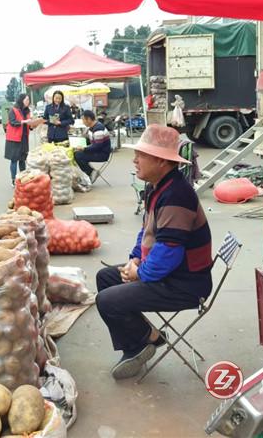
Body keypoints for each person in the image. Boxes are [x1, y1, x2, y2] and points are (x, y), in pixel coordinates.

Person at [96, 125, 213, 380]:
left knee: (107, 300)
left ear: (161, 161)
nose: (135, 160)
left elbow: (169, 251)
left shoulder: (176, 195)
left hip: (185, 284)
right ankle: (146, 338)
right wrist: (134, 259)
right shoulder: (157, 187)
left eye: (141, 155)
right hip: (168, 273)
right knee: (106, 277)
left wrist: (141, 273)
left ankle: (141, 343)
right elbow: (146, 232)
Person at [4, 94, 41, 185]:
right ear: (21, 100)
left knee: (22, 159)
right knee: (14, 160)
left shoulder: (27, 111)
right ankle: (13, 180)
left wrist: (34, 124)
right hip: (14, 139)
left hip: (24, 137)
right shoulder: (13, 110)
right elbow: (13, 122)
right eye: (27, 99)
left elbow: (29, 125)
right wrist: (24, 122)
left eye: (28, 99)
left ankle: (23, 178)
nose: (28, 101)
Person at [73, 110, 111, 181]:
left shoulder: (98, 129)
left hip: (102, 154)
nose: (83, 122)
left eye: (83, 120)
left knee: (78, 155)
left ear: (89, 119)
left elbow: (97, 146)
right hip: (96, 151)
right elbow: (90, 141)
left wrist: (84, 148)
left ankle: (91, 172)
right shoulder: (91, 128)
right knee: (77, 153)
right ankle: (89, 173)